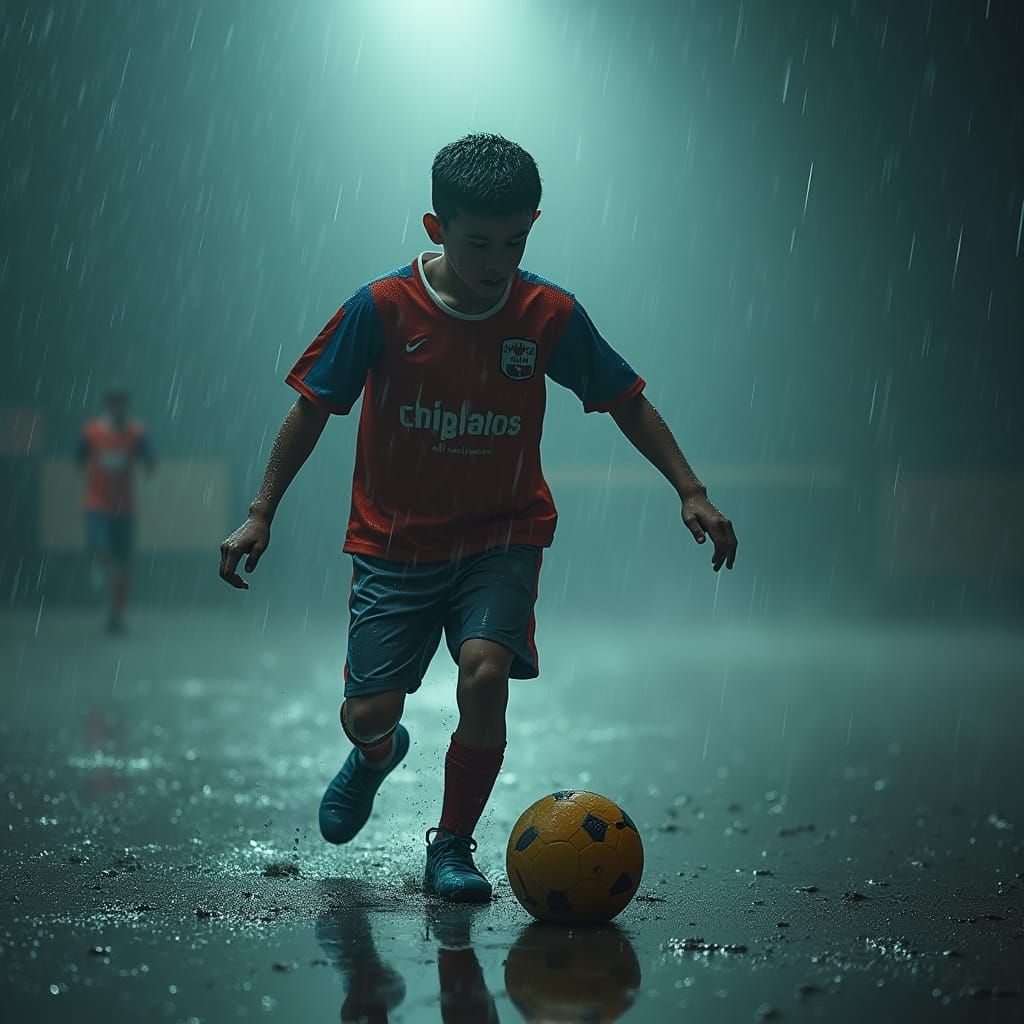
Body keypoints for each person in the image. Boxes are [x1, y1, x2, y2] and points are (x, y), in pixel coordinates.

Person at [218, 133, 737, 902]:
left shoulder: (547, 313)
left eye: (516, 241)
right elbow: (311, 408)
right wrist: (261, 511)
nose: (499, 260)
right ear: (436, 229)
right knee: (367, 710)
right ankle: (374, 753)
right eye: (479, 242)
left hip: (501, 537)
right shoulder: (382, 309)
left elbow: (625, 398)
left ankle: (451, 847)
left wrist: (690, 488)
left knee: (485, 675)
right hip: (393, 545)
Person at [76, 384, 155, 633]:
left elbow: (149, 457)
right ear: (108, 406)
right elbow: (79, 457)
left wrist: (149, 464)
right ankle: (99, 567)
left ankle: (116, 614)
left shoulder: (135, 433)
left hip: (125, 509)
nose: (118, 408)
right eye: (115, 403)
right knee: (101, 549)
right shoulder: (93, 432)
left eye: (122, 403)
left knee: (124, 565)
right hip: (97, 505)